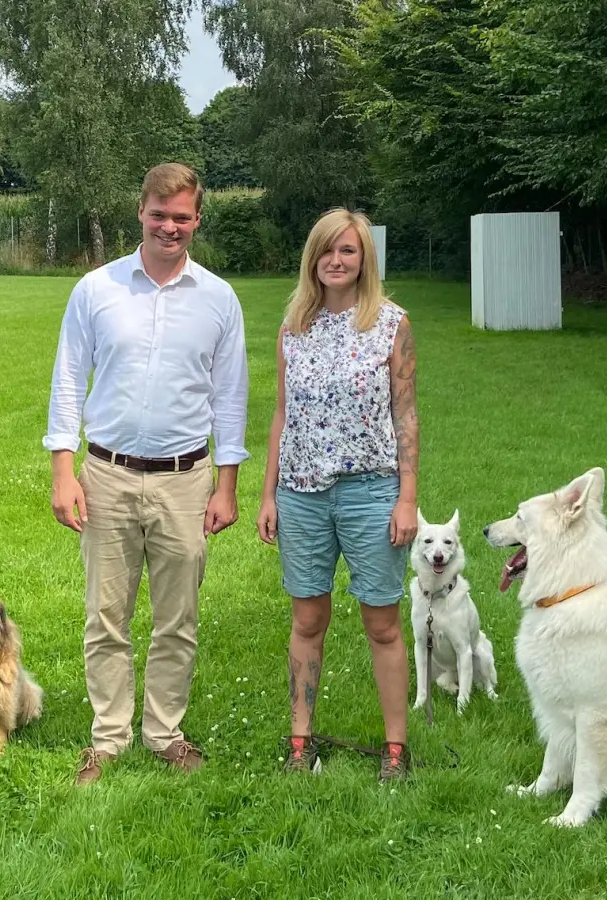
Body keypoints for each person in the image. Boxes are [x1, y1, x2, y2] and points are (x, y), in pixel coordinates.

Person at [43, 163, 250, 786]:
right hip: (105, 474)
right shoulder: (96, 289)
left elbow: (230, 396)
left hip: (185, 479)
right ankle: (108, 739)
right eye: (159, 215)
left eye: (181, 217)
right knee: (105, 615)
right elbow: (68, 379)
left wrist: (227, 484)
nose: (169, 227)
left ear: (197, 220)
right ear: (141, 212)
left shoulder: (218, 299)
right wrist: (63, 471)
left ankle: (164, 734)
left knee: (176, 619)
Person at [256, 208, 419, 782]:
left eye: (348, 250)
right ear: (313, 258)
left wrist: (406, 498)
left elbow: (405, 414)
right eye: (326, 250)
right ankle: (300, 742)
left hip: (371, 492)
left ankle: (395, 749)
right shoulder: (293, 328)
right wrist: (269, 494)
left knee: (383, 623)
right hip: (301, 494)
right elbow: (282, 413)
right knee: (307, 620)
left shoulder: (391, 323)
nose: (336, 260)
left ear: (364, 259)